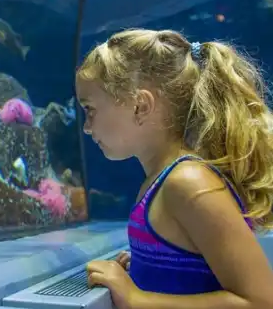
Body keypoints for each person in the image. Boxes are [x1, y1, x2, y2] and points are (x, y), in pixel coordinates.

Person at [74, 29, 273, 309]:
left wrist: (136, 298)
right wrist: (148, 266)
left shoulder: (188, 183)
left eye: (90, 109)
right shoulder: (159, 182)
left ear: (140, 107)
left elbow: (260, 301)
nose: (86, 126)